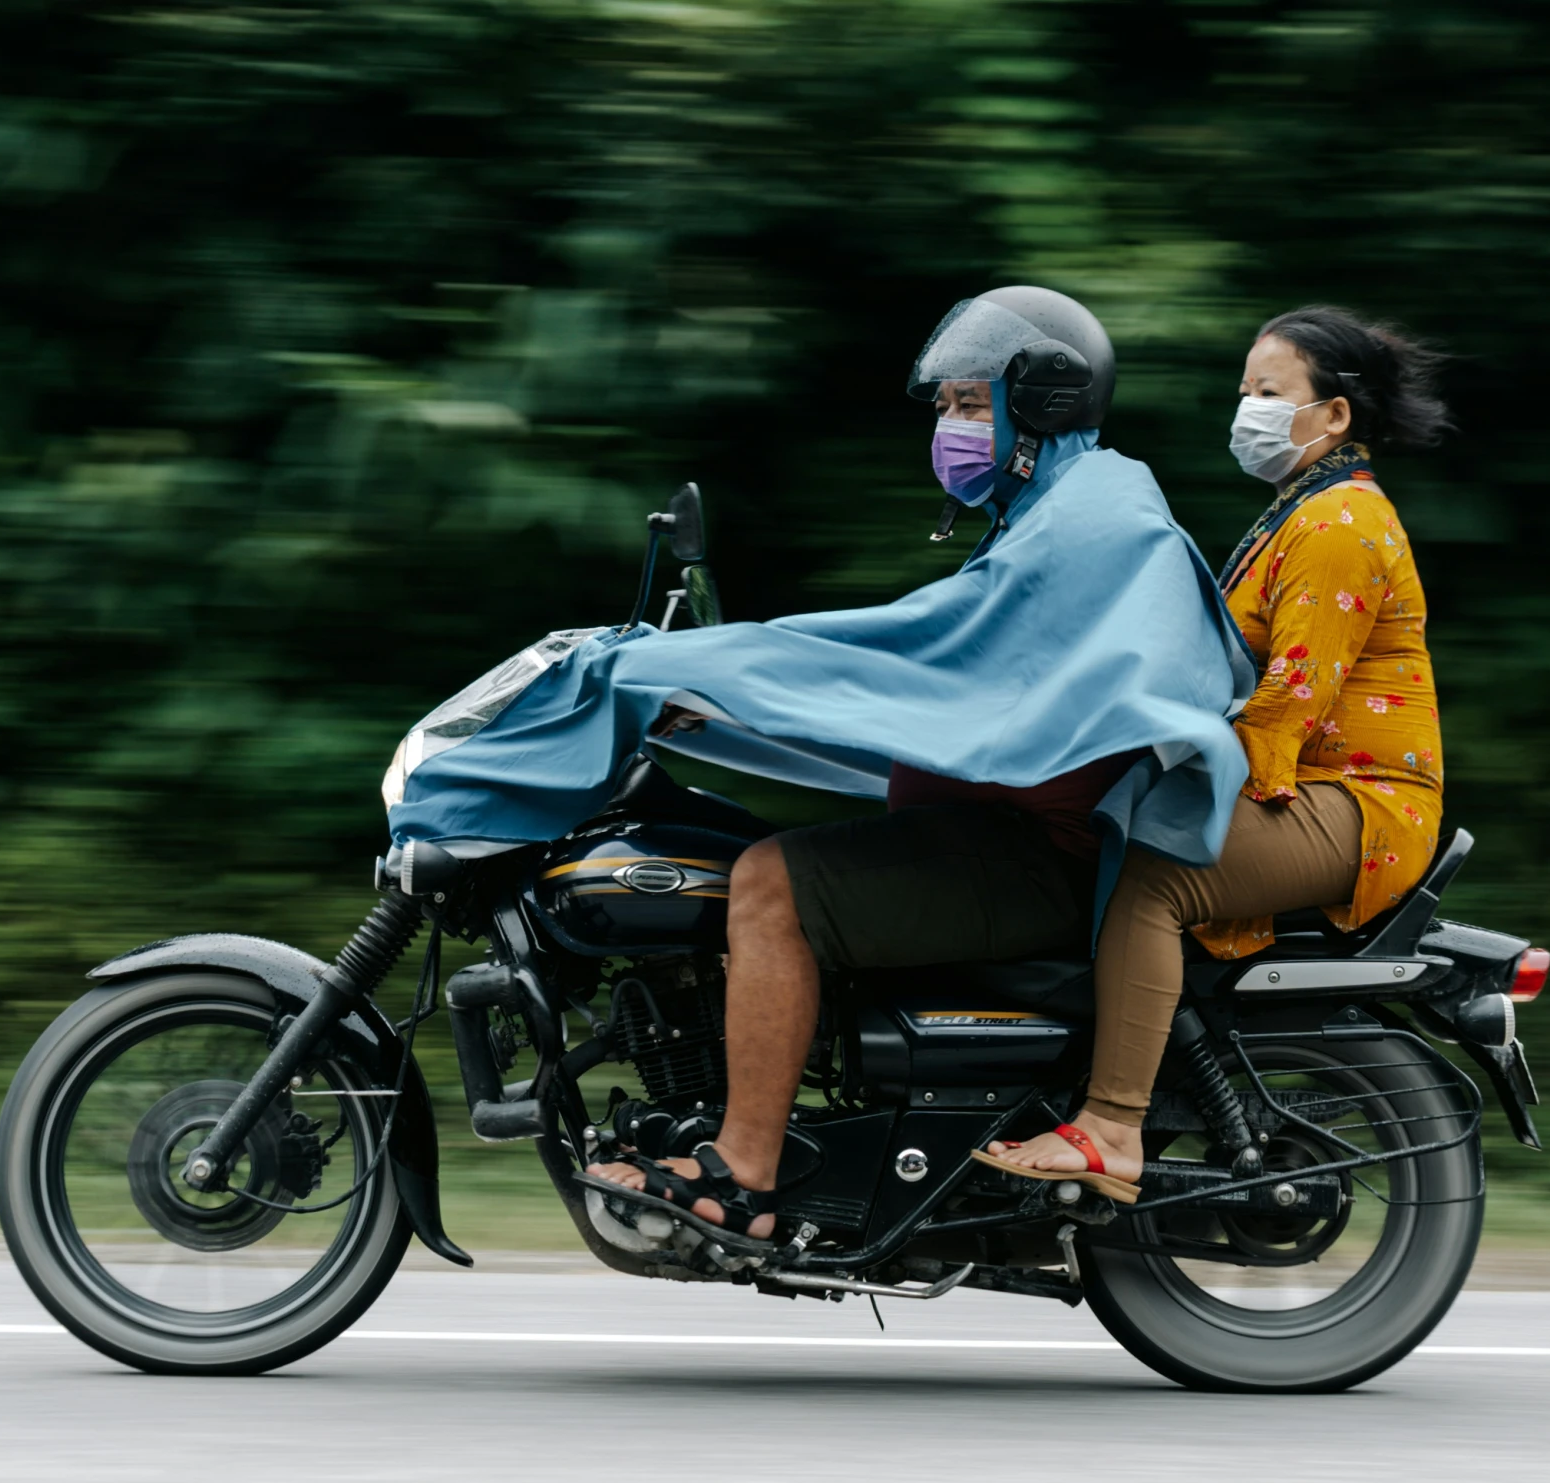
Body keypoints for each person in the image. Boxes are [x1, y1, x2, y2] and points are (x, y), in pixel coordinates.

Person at [584, 286, 1201, 1237]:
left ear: (1036, 403)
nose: (947, 431)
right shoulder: (1047, 512)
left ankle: (741, 1172)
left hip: (1042, 855)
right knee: (739, 842)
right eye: (945, 409)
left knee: (767, 885)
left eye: (966, 405)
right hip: (1000, 833)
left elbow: (929, 653)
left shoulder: (1088, 521)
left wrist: (725, 665)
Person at [980, 305, 1454, 1193]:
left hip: (1359, 804)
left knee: (1158, 874)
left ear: (1335, 415)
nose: (1247, 410)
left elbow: (1288, 706)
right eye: (1245, 392)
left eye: (1268, 393)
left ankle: (1111, 1127)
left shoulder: (1339, 525)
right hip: (1311, 784)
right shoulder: (1299, 511)